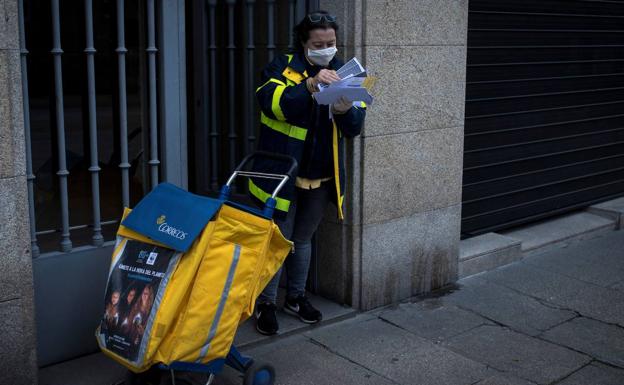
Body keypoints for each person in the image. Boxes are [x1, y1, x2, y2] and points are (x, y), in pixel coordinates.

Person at [251, 10, 366, 335]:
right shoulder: (280, 68)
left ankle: (296, 297)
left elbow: (355, 127)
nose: (326, 48)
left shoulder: (346, 72)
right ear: (304, 43)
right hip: (284, 175)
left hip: (321, 177)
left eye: (331, 42)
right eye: (319, 43)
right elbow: (273, 104)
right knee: (277, 241)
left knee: (302, 240)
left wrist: (345, 109)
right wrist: (311, 85)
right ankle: (265, 304)